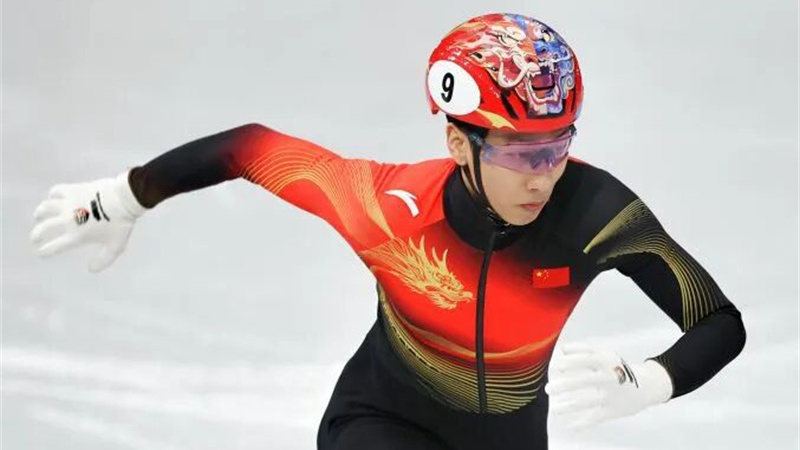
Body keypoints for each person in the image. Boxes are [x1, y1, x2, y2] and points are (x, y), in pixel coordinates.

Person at [30, 13, 746, 450]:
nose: (544, 176)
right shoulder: (386, 205)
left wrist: (655, 380)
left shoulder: (595, 212)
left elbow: (718, 321)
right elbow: (249, 148)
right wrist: (120, 198)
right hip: (379, 424)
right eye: (520, 152)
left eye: (557, 146)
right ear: (458, 142)